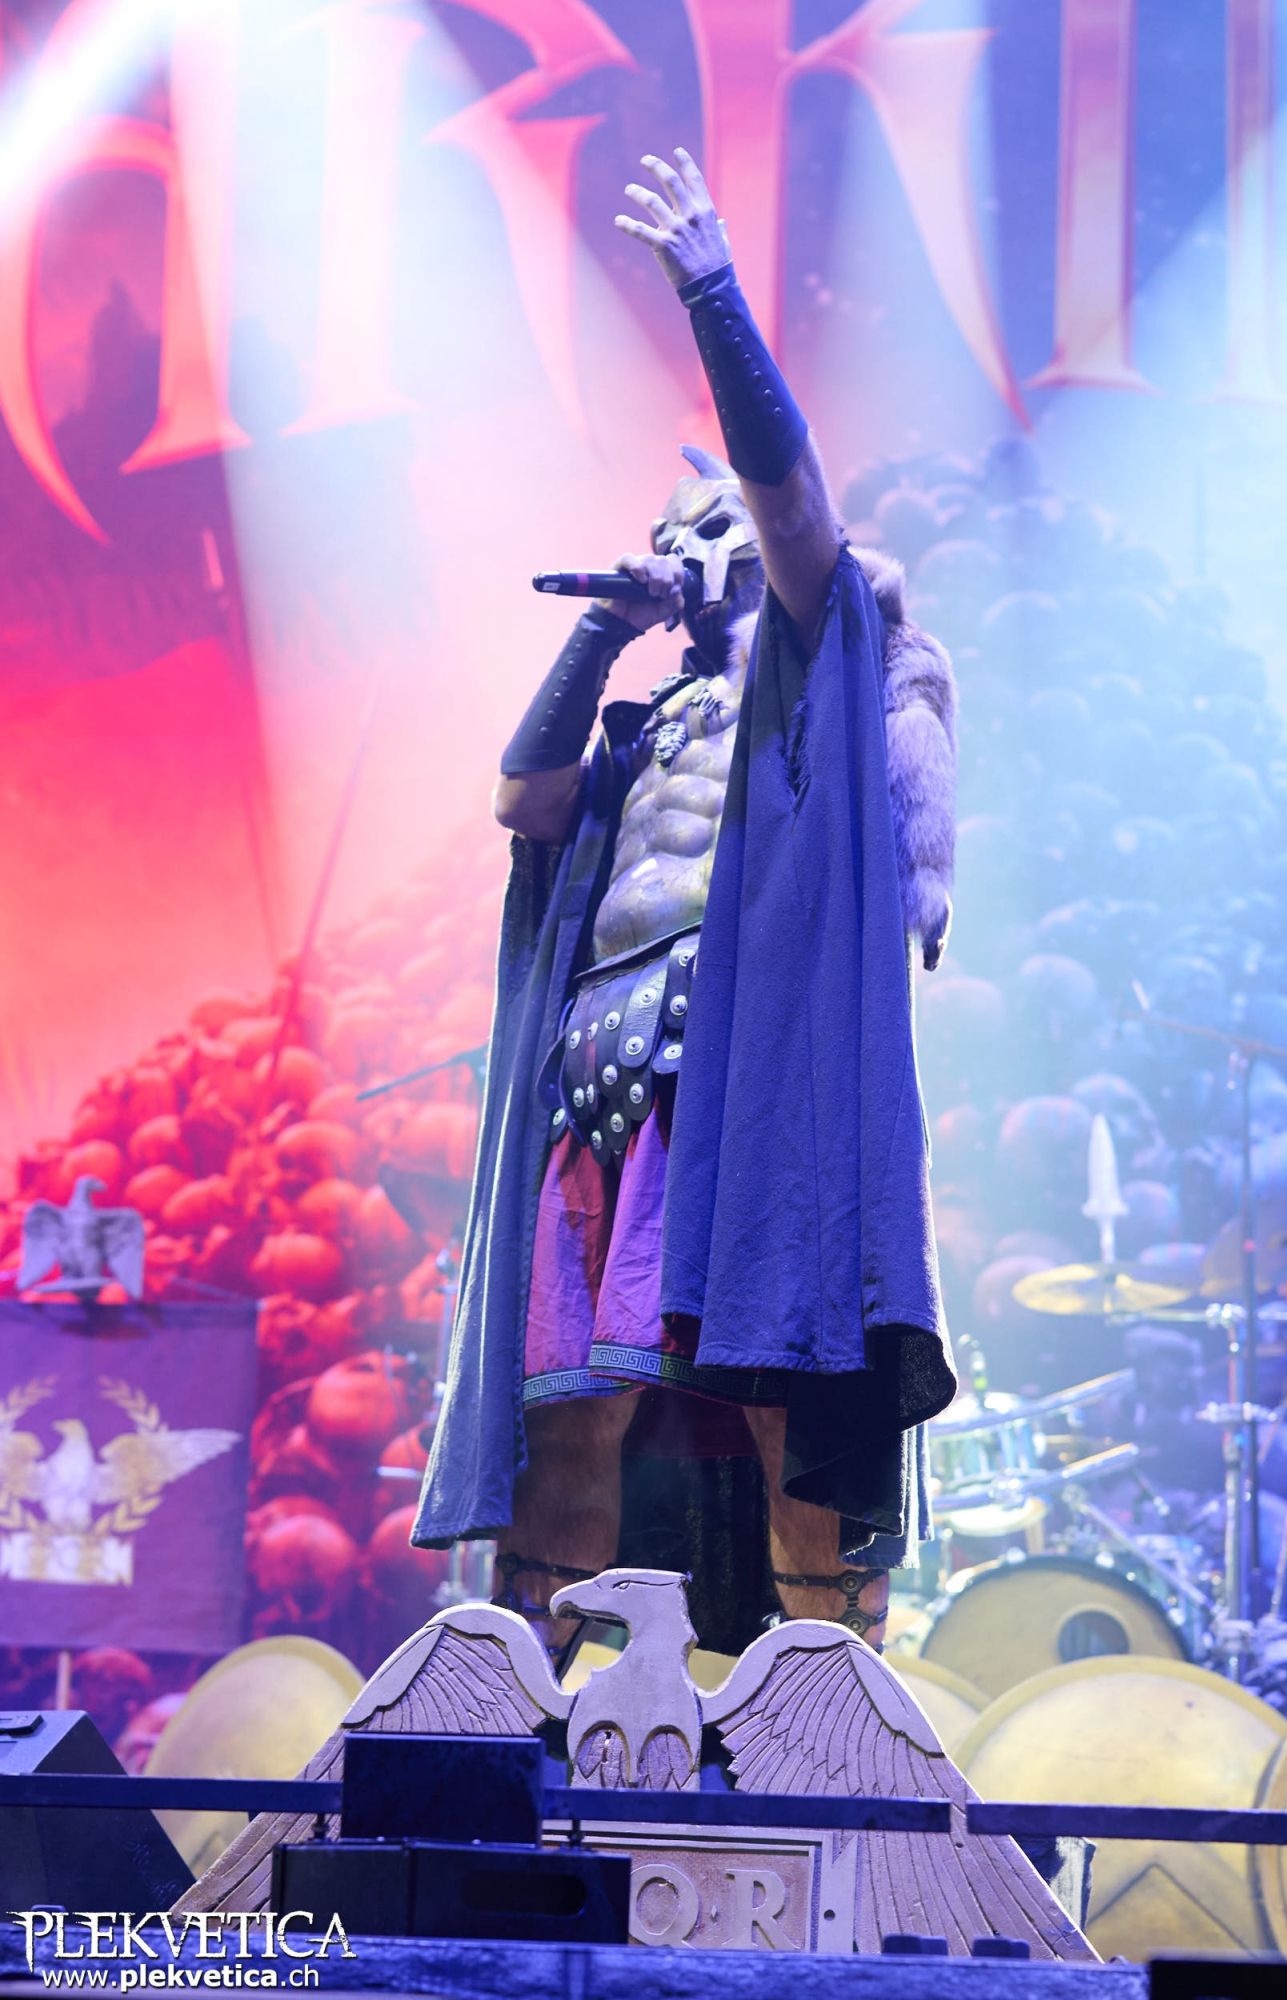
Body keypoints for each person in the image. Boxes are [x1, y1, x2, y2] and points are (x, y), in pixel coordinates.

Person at [413, 147, 959, 1664]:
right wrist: (601, 633)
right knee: (573, 1413)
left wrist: (713, 294)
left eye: (710, 531)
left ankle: (825, 1711)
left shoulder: (819, 668)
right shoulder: (642, 726)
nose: (692, 553)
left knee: (784, 1390)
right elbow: (522, 802)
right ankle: (529, 1717)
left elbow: (794, 504)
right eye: (673, 540)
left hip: (749, 1090)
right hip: (598, 1079)